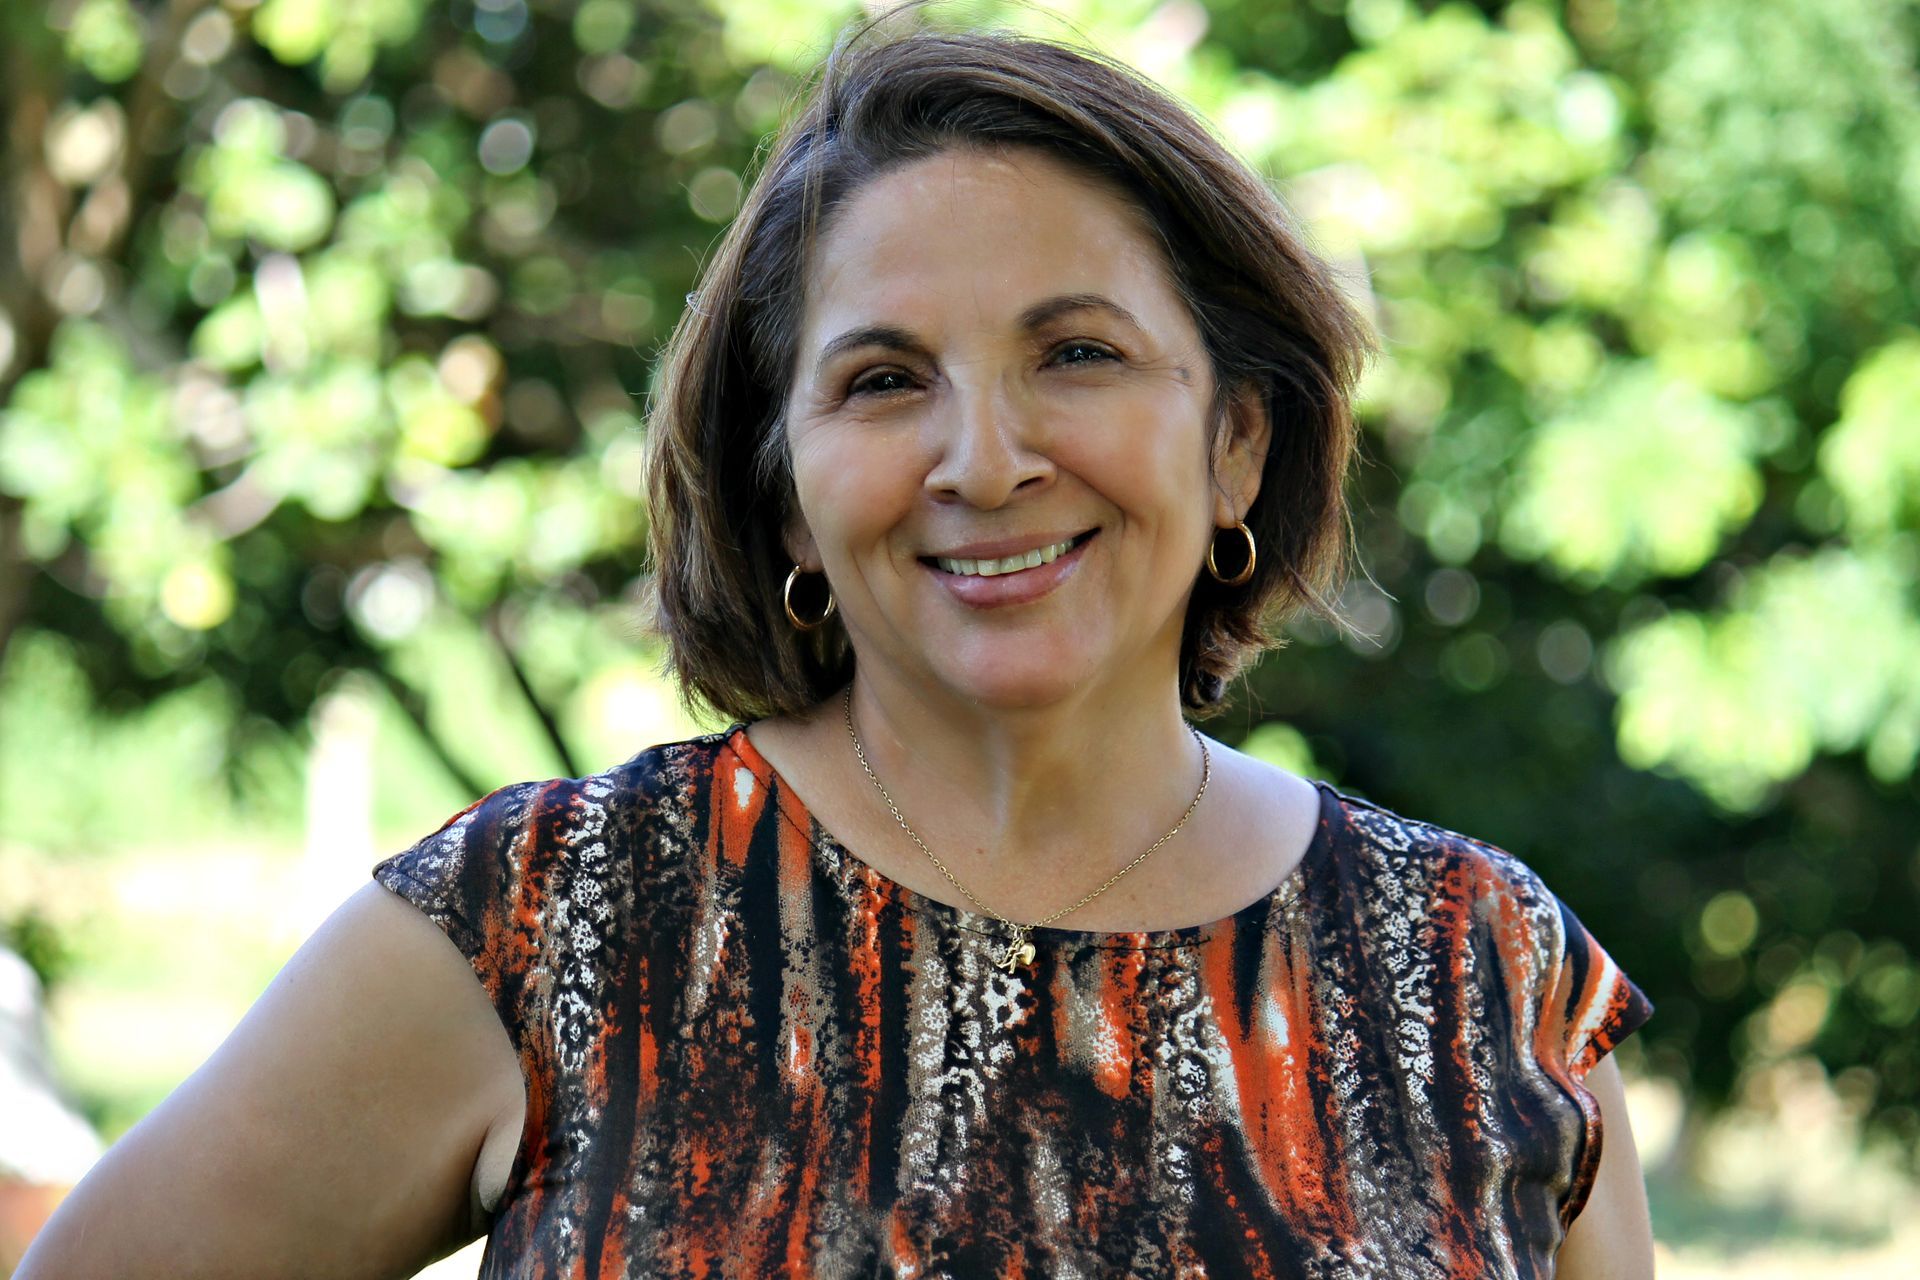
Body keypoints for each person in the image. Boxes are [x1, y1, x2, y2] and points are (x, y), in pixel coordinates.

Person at [20, 16, 1655, 1280]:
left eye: (1075, 352)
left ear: (1236, 441)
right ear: (790, 500)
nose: (985, 458)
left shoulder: (1480, 975)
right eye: (883, 381)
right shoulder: (544, 925)